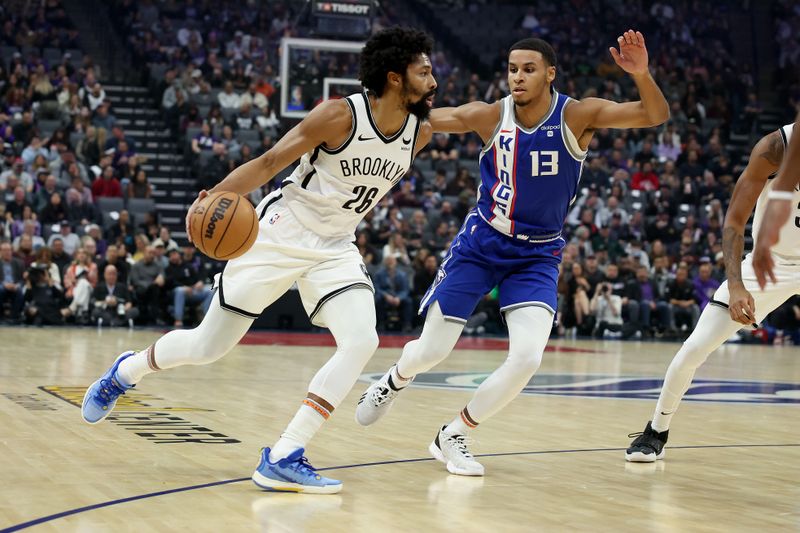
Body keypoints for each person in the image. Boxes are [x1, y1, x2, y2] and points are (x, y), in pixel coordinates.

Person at [81, 27, 437, 494]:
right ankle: (126, 371)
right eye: (424, 71)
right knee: (208, 348)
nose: (433, 79)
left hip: (335, 248)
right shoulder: (337, 115)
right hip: (279, 234)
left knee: (361, 340)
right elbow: (271, 162)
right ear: (395, 78)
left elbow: (476, 117)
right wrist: (215, 197)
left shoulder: (422, 131)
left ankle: (286, 453)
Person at [356, 30, 669, 476]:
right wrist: (381, 101)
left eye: (528, 69)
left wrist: (641, 74)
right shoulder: (489, 116)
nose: (517, 78)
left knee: (527, 358)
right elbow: (422, 119)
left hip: (537, 255)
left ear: (550, 74)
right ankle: (392, 381)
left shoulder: (578, 115)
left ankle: (454, 434)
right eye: (512, 69)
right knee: (431, 351)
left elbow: (655, 114)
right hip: (482, 244)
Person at [626, 123, 800, 462]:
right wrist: (735, 285)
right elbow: (735, 221)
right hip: (772, 261)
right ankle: (657, 429)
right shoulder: (776, 147)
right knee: (695, 347)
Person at [752, 112, 800, 287]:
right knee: (719, 313)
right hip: (773, 257)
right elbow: (735, 217)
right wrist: (735, 285)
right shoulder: (774, 146)